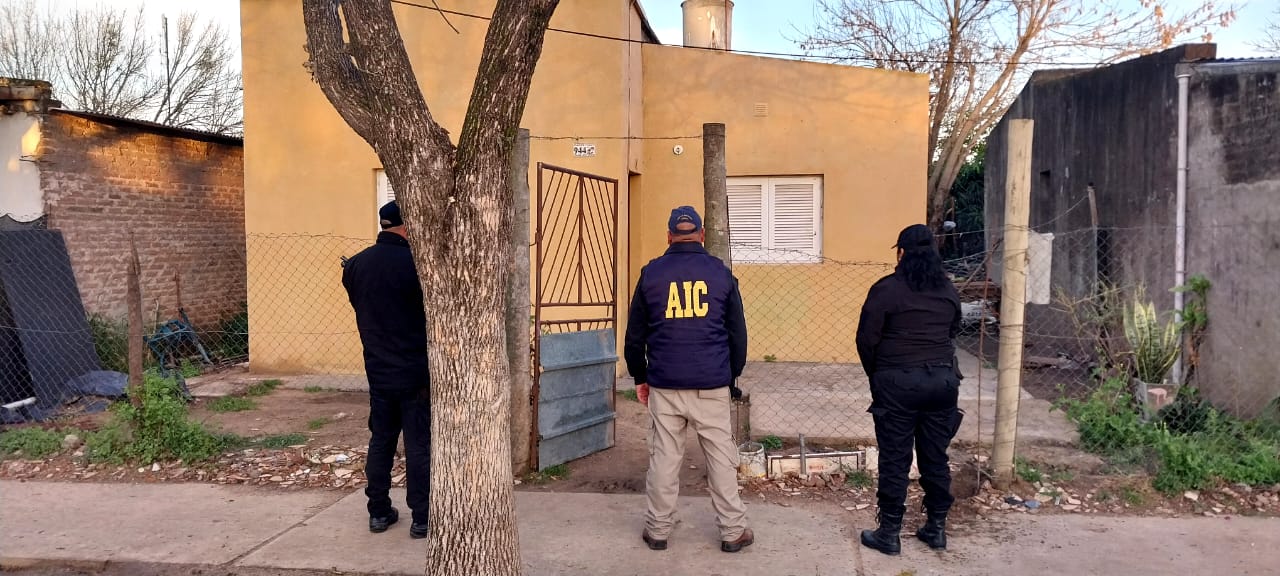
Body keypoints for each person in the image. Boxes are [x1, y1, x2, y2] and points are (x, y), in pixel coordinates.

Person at [624, 205, 754, 554]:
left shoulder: (651, 274)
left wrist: (640, 375)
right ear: (700, 235)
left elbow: (635, 335)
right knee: (720, 458)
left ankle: (657, 531)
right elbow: (737, 334)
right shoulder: (721, 273)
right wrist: (732, 375)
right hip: (711, 383)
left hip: (665, 384)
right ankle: (733, 531)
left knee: (664, 458)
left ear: (669, 236)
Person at [856, 224, 964, 556]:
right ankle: (936, 528)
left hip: (897, 384)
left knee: (895, 459)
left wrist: (880, 377)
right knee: (935, 458)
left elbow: (866, 340)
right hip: (943, 383)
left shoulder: (887, 289)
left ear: (900, 253)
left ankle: (889, 533)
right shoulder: (947, 291)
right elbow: (953, 331)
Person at [341, 200, 431, 539]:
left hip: (378, 371)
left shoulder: (356, 266)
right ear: (407, 226)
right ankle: (422, 517)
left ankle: (378, 511)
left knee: (381, 440)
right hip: (415, 372)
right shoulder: (418, 266)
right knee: (419, 444)